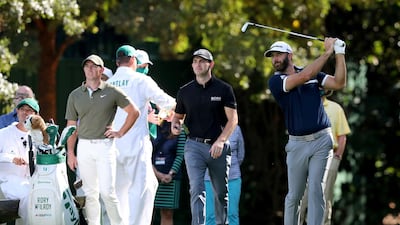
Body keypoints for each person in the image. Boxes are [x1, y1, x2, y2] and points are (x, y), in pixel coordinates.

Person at [265, 38, 347, 225]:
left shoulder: (311, 73)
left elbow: (338, 83)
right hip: (297, 143)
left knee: (317, 190)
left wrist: (340, 53)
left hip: (322, 140)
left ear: (290, 56)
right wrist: (327, 52)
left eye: (278, 54)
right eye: (272, 56)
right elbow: (303, 77)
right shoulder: (276, 81)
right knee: (294, 195)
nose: (275, 59)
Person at [65, 54, 140, 225]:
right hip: (83, 147)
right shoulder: (75, 95)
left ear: (101, 69)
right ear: (84, 69)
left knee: (108, 192)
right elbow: (71, 126)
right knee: (90, 194)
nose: (90, 69)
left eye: (94, 66)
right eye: (87, 66)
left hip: (105, 147)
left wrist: (120, 132)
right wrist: (70, 152)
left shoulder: (112, 91)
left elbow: (134, 112)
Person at [107, 45, 176, 225]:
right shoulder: (140, 80)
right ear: (133, 61)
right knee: (143, 190)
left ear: (117, 62)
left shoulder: (108, 84)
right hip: (136, 145)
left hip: (112, 147)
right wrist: (170, 112)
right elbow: (167, 102)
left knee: (118, 194)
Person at [171, 48, 238, 225]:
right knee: (196, 189)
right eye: (195, 61)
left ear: (211, 64)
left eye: (202, 61)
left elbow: (233, 120)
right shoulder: (185, 91)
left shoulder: (224, 89)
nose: (198, 64)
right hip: (193, 146)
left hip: (218, 147)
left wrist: (221, 141)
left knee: (220, 193)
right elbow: (178, 116)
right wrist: (175, 125)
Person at [299, 90, 351, 225]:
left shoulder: (336, 108)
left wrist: (337, 156)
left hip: (330, 157)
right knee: (300, 197)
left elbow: (342, 135)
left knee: (324, 197)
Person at [0, 98, 40, 225]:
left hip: (33, 182)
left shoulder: (39, 136)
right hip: (8, 181)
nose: (25, 113)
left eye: (29, 110)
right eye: (22, 109)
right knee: (30, 197)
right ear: (17, 112)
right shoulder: (4, 134)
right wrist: (11, 159)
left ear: (36, 115)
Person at [205, 125, 245, 225]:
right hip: (209, 178)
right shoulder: (206, 127)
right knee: (210, 215)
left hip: (232, 178)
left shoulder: (236, 129)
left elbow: (241, 154)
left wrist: (226, 168)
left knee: (232, 214)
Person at [151, 110, 185, 225]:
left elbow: (180, 154)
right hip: (153, 175)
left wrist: (171, 174)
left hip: (171, 178)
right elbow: (147, 153)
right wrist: (157, 174)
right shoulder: (153, 127)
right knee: (148, 211)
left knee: (167, 213)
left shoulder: (180, 129)